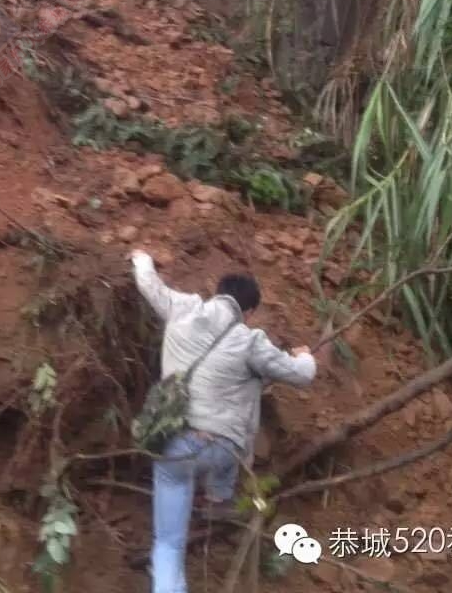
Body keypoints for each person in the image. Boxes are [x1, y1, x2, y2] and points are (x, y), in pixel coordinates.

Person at [130, 250, 317, 593]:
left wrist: (142, 258)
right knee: (247, 395)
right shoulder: (250, 340)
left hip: (174, 445)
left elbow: (149, 285)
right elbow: (301, 376)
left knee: (168, 544)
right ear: (248, 312)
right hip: (222, 449)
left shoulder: (182, 307)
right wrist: (305, 357)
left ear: (218, 293)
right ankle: (218, 498)